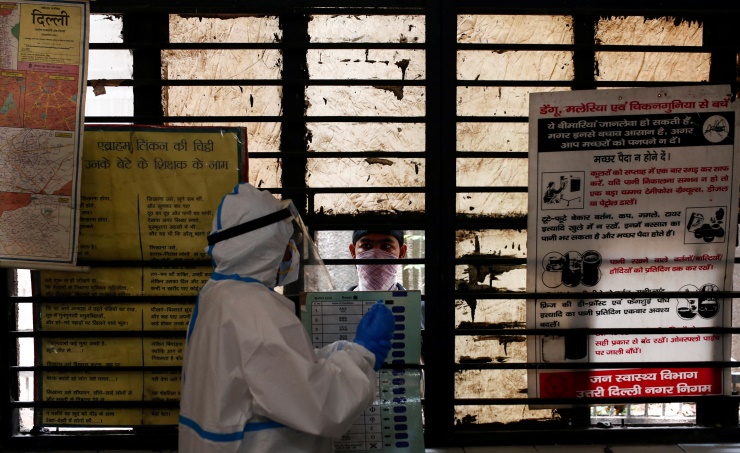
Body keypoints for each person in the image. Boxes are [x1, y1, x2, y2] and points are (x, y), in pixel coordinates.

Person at [179, 183, 395, 453]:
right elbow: (320, 406)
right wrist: (364, 354)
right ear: (265, 245)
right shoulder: (255, 309)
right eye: (287, 241)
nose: (292, 251)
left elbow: (272, 370)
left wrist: (340, 351)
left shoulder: (219, 294)